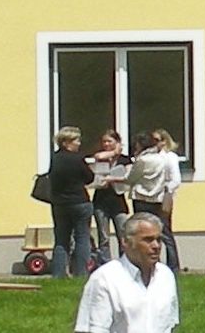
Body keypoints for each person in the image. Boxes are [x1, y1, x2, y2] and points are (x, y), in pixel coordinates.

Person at [75, 212, 177, 333]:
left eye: (159, 240)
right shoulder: (105, 279)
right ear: (125, 242)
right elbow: (94, 329)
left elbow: (168, 325)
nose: (156, 246)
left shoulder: (165, 276)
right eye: (148, 240)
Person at [124, 130, 183, 271]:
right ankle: (168, 265)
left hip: (145, 198)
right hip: (159, 197)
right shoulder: (163, 159)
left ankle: (164, 265)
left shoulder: (147, 159)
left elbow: (131, 178)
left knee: (155, 232)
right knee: (163, 233)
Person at [45, 126, 97, 279]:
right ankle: (81, 273)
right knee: (82, 237)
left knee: (61, 239)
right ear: (66, 142)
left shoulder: (55, 158)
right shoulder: (77, 158)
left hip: (60, 203)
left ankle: (59, 274)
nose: (79, 143)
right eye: (76, 140)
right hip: (79, 202)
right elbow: (89, 178)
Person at [87, 131, 132, 270]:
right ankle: (105, 265)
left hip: (118, 202)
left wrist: (112, 179)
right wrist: (113, 153)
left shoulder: (125, 159)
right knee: (104, 236)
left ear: (117, 142)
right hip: (101, 201)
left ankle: (125, 264)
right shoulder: (102, 159)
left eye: (110, 141)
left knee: (123, 234)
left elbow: (129, 177)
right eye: (104, 142)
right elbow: (97, 156)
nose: (106, 144)